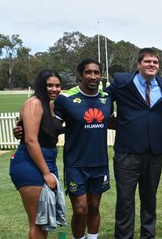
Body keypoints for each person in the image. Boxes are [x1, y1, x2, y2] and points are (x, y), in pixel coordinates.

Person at [105, 47, 162, 239]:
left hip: (154, 153)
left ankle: (148, 236)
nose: (151, 65)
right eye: (147, 61)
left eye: (155, 62)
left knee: (150, 201)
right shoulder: (122, 81)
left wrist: (158, 118)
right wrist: (112, 122)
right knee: (125, 202)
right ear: (138, 64)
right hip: (127, 153)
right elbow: (103, 101)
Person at [54, 58, 114, 239]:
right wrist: (23, 129)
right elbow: (52, 126)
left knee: (94, 207)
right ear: (80, 75)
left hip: (99, 163)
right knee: (80, 210)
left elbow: (112, 122)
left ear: (101, 75)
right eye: (88, 72)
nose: (93, 76)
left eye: (97, 72)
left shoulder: (106, 99)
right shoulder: (65, 99)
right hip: (75, 164)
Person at [9, 69, 64, 239]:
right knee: (38, 222)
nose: (54, 89)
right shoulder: (35, 103)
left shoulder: (51, 104)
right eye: (49, 85)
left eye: (57, 85)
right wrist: (46, 172)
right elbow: (31, 140)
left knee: (44, 221)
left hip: (46, 160)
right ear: (40, 85)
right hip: (31, 163)